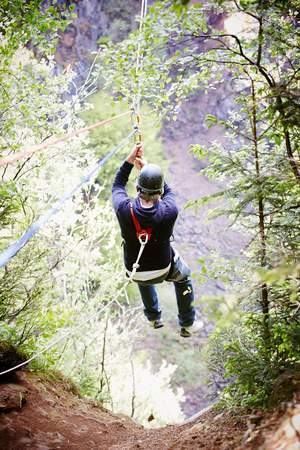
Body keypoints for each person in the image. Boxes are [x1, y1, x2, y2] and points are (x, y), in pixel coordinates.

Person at [112, 144, 203, 337]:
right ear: (159, 192)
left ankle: (153, 318)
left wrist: (130, 161)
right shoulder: (170, 211)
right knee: (184, 276)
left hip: (134, 270)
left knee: (143, 276)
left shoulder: (123, 209)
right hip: (163, 268)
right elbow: (169, 194)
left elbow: (118, 184)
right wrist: (148, 167)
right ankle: (187, 323)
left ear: (137, 188)